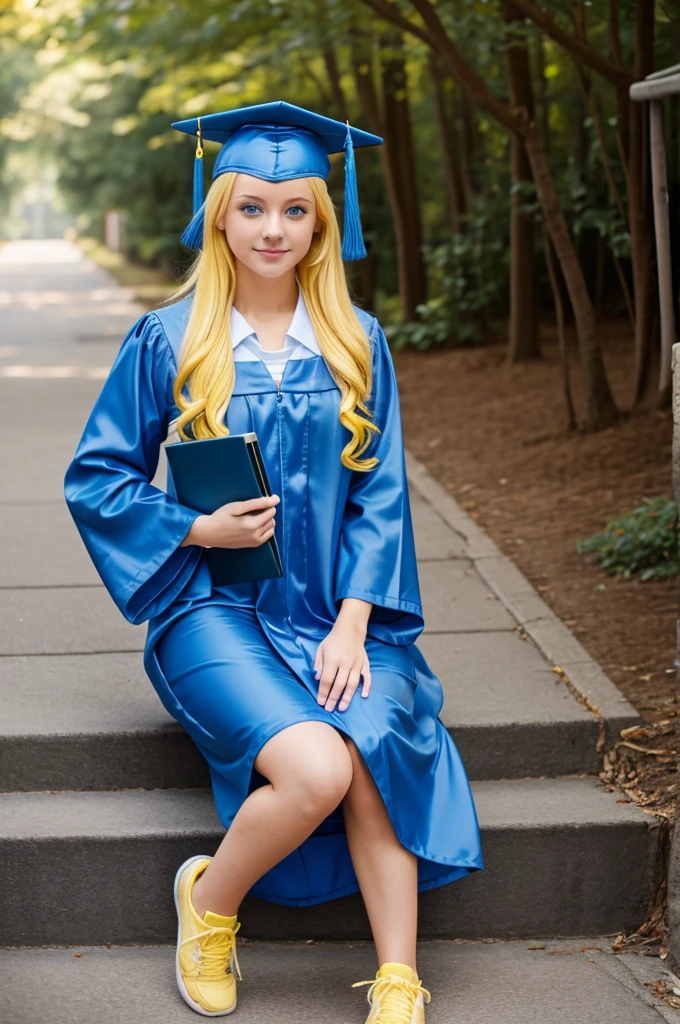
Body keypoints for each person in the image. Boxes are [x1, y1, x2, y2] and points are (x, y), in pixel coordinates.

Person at [64, 100, 484, 1023]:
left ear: (323, 223)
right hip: (211, 616)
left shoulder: (355, 343)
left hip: (334, 617)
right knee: (317, 769)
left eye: (296, 210)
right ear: (219, 212)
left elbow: (382, 500)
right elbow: (96, 479)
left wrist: (354, 623)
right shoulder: (170, 340)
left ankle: (398, 980)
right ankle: (209, 905)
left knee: (371, 741)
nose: (273, 229)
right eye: (253, 206)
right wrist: (195, 529)